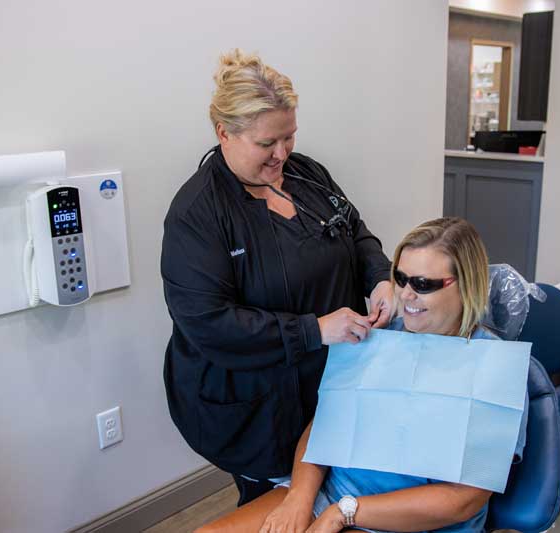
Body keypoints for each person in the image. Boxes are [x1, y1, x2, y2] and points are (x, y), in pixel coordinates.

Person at [161, 49, 394, 507]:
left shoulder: (307, 174)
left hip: (327, 380)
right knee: (276, 502)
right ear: (224, 133)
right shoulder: (197, 215)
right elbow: (209, 323)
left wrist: (380, 277)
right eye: (267, 143)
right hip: (256, 402)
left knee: (330, 487)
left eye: (289, 137)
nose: (282, 153)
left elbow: (356, 232)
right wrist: (316, 329)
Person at [195, 217, 529, 533]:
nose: (406, 295)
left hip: (413, 521)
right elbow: (322, 428)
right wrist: (299, 497)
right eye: (400, 278)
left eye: (423, 284)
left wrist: (345, 512)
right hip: (332, 495)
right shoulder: (376, 338)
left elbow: (462, 500)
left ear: (466, 284)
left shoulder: (493, 368)